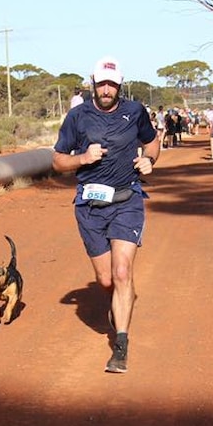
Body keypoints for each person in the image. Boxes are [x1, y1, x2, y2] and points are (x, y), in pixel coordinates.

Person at [52, 56, 160, 374]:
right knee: (106, 279)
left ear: (120, 85)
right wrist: (83, 158)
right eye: (102, 83)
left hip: (128, 199)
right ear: (93, 83)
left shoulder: (135, 112)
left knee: (122, 272)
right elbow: (58, 161)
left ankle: (121, 344)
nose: (107, 89)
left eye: (113, 84)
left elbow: (152, 143)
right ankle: (118, 303)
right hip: (90, 208)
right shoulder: (78, 117)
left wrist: (150, 161)